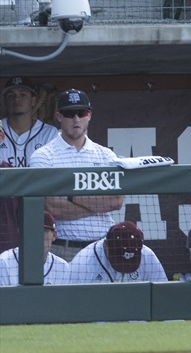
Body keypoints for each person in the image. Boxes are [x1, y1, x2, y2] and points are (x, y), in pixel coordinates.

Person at [27, 89, 123, 262]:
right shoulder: (43, 156)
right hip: (63, 249)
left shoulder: (106, 155)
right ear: (58, 116)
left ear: (89, 115)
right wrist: (96, 203)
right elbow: (51, 206)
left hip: (102, 247)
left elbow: (116, 201)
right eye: (70, 113)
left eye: (82, 112)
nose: (76, 119)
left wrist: (70, 196)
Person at [56, 220, 167, 284]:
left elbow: (162, 296)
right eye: (119, 258)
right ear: (106, 244)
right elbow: (73, 304)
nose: (124, 265)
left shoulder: (148, 256)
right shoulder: (83, 263)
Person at [1, 77, 58, 168]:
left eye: (23, 95)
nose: (16, 99)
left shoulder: (49, 133)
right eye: (11, 95)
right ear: (5, 101)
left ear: (33, 100)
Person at [0, 211, 69, 286]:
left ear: (54, 236)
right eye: (33, 230)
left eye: (43, 231)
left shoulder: (62, 267)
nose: (37, 236)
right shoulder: (4, 263)